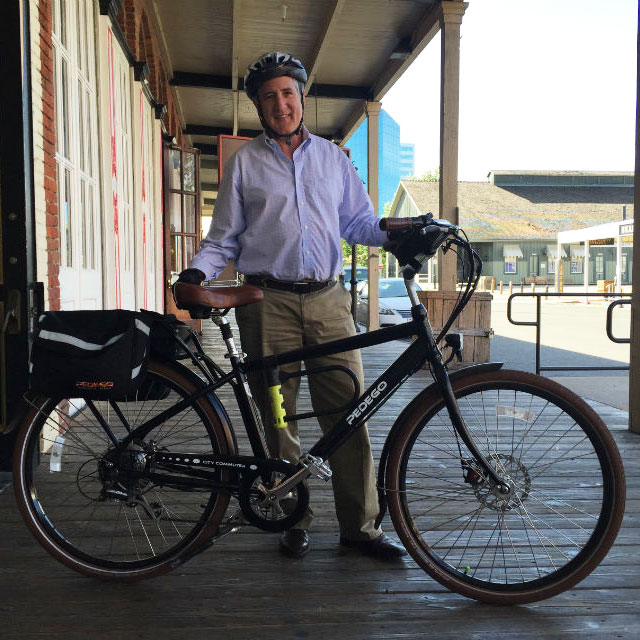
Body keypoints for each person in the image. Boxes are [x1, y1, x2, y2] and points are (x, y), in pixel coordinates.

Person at [177, 51, 405, 561]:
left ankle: (360, 528)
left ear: (302, 97)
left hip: (328, 302)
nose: (280, 104)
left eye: (287, 93)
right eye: (268, 97)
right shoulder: (245, 165)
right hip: (266, 303)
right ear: (258, 106)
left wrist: (399, 232)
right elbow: (223, 240)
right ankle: (292, 516)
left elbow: (359, 225)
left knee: (348, 414)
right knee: (278, 420)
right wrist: (197, 271)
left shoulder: (333, 158)